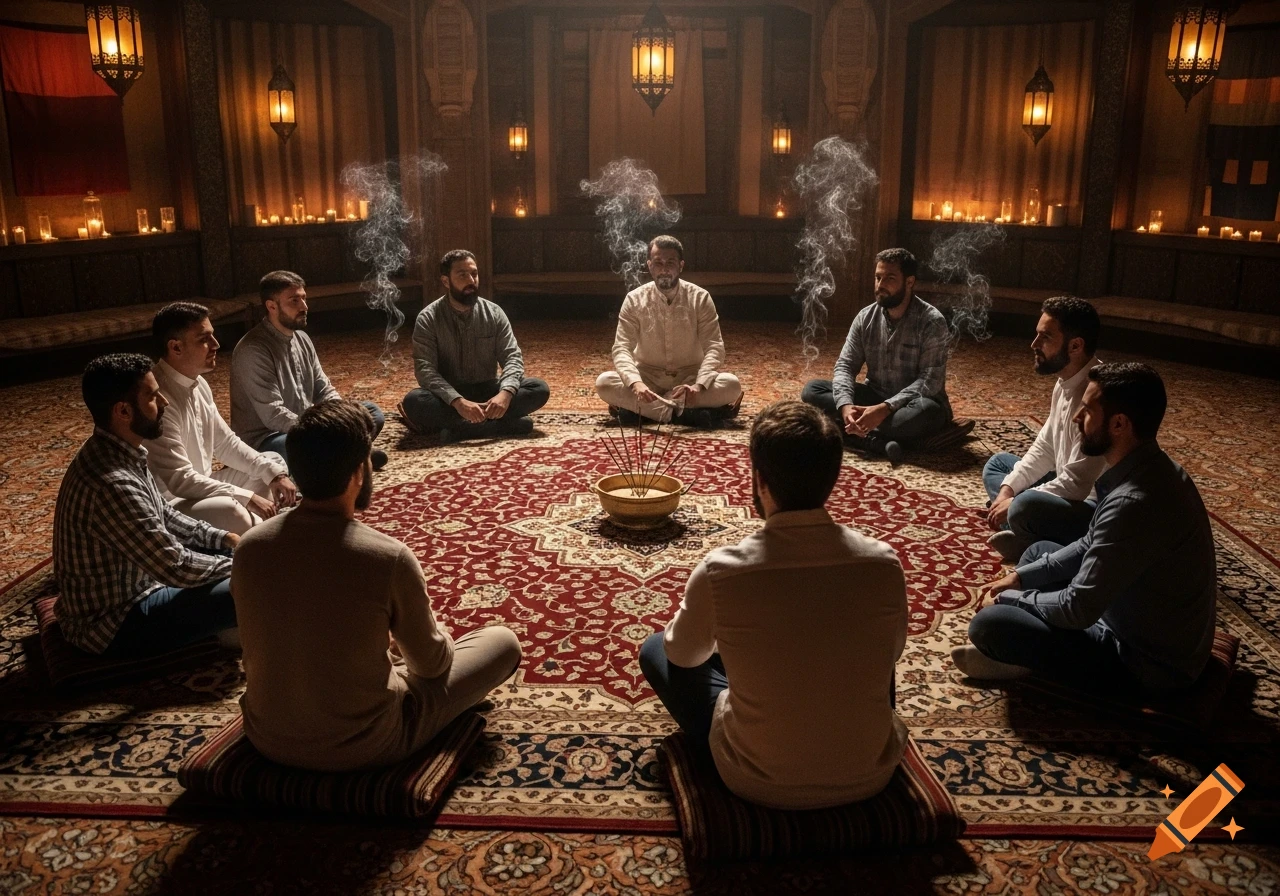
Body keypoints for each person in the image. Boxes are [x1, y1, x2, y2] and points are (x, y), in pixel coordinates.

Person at [639, 400, 907, 809]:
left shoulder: (723, 570)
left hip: (756, 778)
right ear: (832, 478)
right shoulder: (883, 562)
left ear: (760, 479)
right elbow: (892, 653)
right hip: (872, 773)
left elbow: (683, 654)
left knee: (657, 649)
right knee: (864, 653)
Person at [231, 399, 523, 771]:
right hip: (365, 744)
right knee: (501, 643)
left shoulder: (250, 547)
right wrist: (441, 634)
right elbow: (431, 667)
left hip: (267, 736)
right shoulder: (386, 556)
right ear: (359, 471)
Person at [953, 363, 1216, 692]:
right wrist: (1020, 578)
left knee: (990, 625)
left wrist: (1014, 599)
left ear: (1119, 424)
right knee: (1038, 554)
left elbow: (1076, 609)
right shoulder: (1152, 469)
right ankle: (1024, 639)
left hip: (1147, 662)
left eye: (1088, 411)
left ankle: (1022, 662)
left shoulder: (1132, 502)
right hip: (1140, 618)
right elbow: (1089, 542)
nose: (1077, 418)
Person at [53, 353, 238, 657]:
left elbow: (165, 515)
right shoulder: (112, 483)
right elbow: (174, 567)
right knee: (249, 587)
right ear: (123, 411)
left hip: (141, 582)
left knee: (228, 548)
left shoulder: (119, 449)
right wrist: (245, 564)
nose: (164, 402)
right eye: (152, 396)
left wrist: (226, 539)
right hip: (115, 622)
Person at [801, 247, 971, 466]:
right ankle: (876, 440)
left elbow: (930, 381)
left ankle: (853, 434)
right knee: (812, 390)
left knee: (924, 414)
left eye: (889, 278)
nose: (880, 286)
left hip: (914, 406)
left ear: (909, 282)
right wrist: (845, 406)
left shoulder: (932, 321)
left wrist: (885, 409)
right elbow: (845, 366)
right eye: (878, 277)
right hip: (875, 397)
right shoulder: (865, 317)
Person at [146, 302, 297, 535]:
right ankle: (270, 534)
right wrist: (245, 497)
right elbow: (179, 480)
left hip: (202, 486)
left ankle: (257, 531)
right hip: (171, 504)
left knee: (271, 463)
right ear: (176, 347)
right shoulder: (159, 397)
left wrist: (273, 474)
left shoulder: (199, 383)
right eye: (204, 339)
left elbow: (225, 444)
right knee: (230, 509)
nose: (216, 345)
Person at [982, 297, 1107, 561]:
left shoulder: (1097, 396)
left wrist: (1017, 501)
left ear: (1075, 346)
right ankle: (1026, 531)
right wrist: (1008, 491)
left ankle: (1031, 536)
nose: (1034, 345)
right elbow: (1045, 448)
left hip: (1088, 507)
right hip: (1065, 490)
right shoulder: (1064, 381)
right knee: (999, 466)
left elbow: (1077, 485)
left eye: (1045, 337)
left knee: (1024, 505)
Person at [230, 270, 388, 469]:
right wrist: (321, 428)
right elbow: (273, 415)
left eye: (304, 298)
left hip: (308, 424)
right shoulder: (253, 349)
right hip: (268, 438)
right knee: (303, 447)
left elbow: (323, 389)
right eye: (294, 301)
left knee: (371, 414)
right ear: (271, 306)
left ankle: (343, 456)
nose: (304, 307)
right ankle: (353, 455)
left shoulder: (302, 338)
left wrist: (342, 416)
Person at [398, 250, 550, 440]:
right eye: (463, 275)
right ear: (446, 281)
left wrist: (505, 394)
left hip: (489, 391)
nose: (471, 280)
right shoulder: (428, 318)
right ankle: (504, 425)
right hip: (450, 397)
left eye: (474, 274)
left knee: (538, 388)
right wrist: (458, 402)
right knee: (414, 401)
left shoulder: (494, 313)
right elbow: (425, 370)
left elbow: (512, 357)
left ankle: (458, 429)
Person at [595, 236, 743, 428]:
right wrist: (636, 384)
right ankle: (683, 414)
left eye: (670, 263)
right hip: (647, 379)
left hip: (690, 381)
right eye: (658, 263)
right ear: (649, 265)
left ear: (681, 266)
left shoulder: (700, 298)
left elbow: (714, 348)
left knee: (731, 385)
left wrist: (699, 385)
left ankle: (644, 412)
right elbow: (622, 348)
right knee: (604, 383)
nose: (664, 269)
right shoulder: (633, 299)